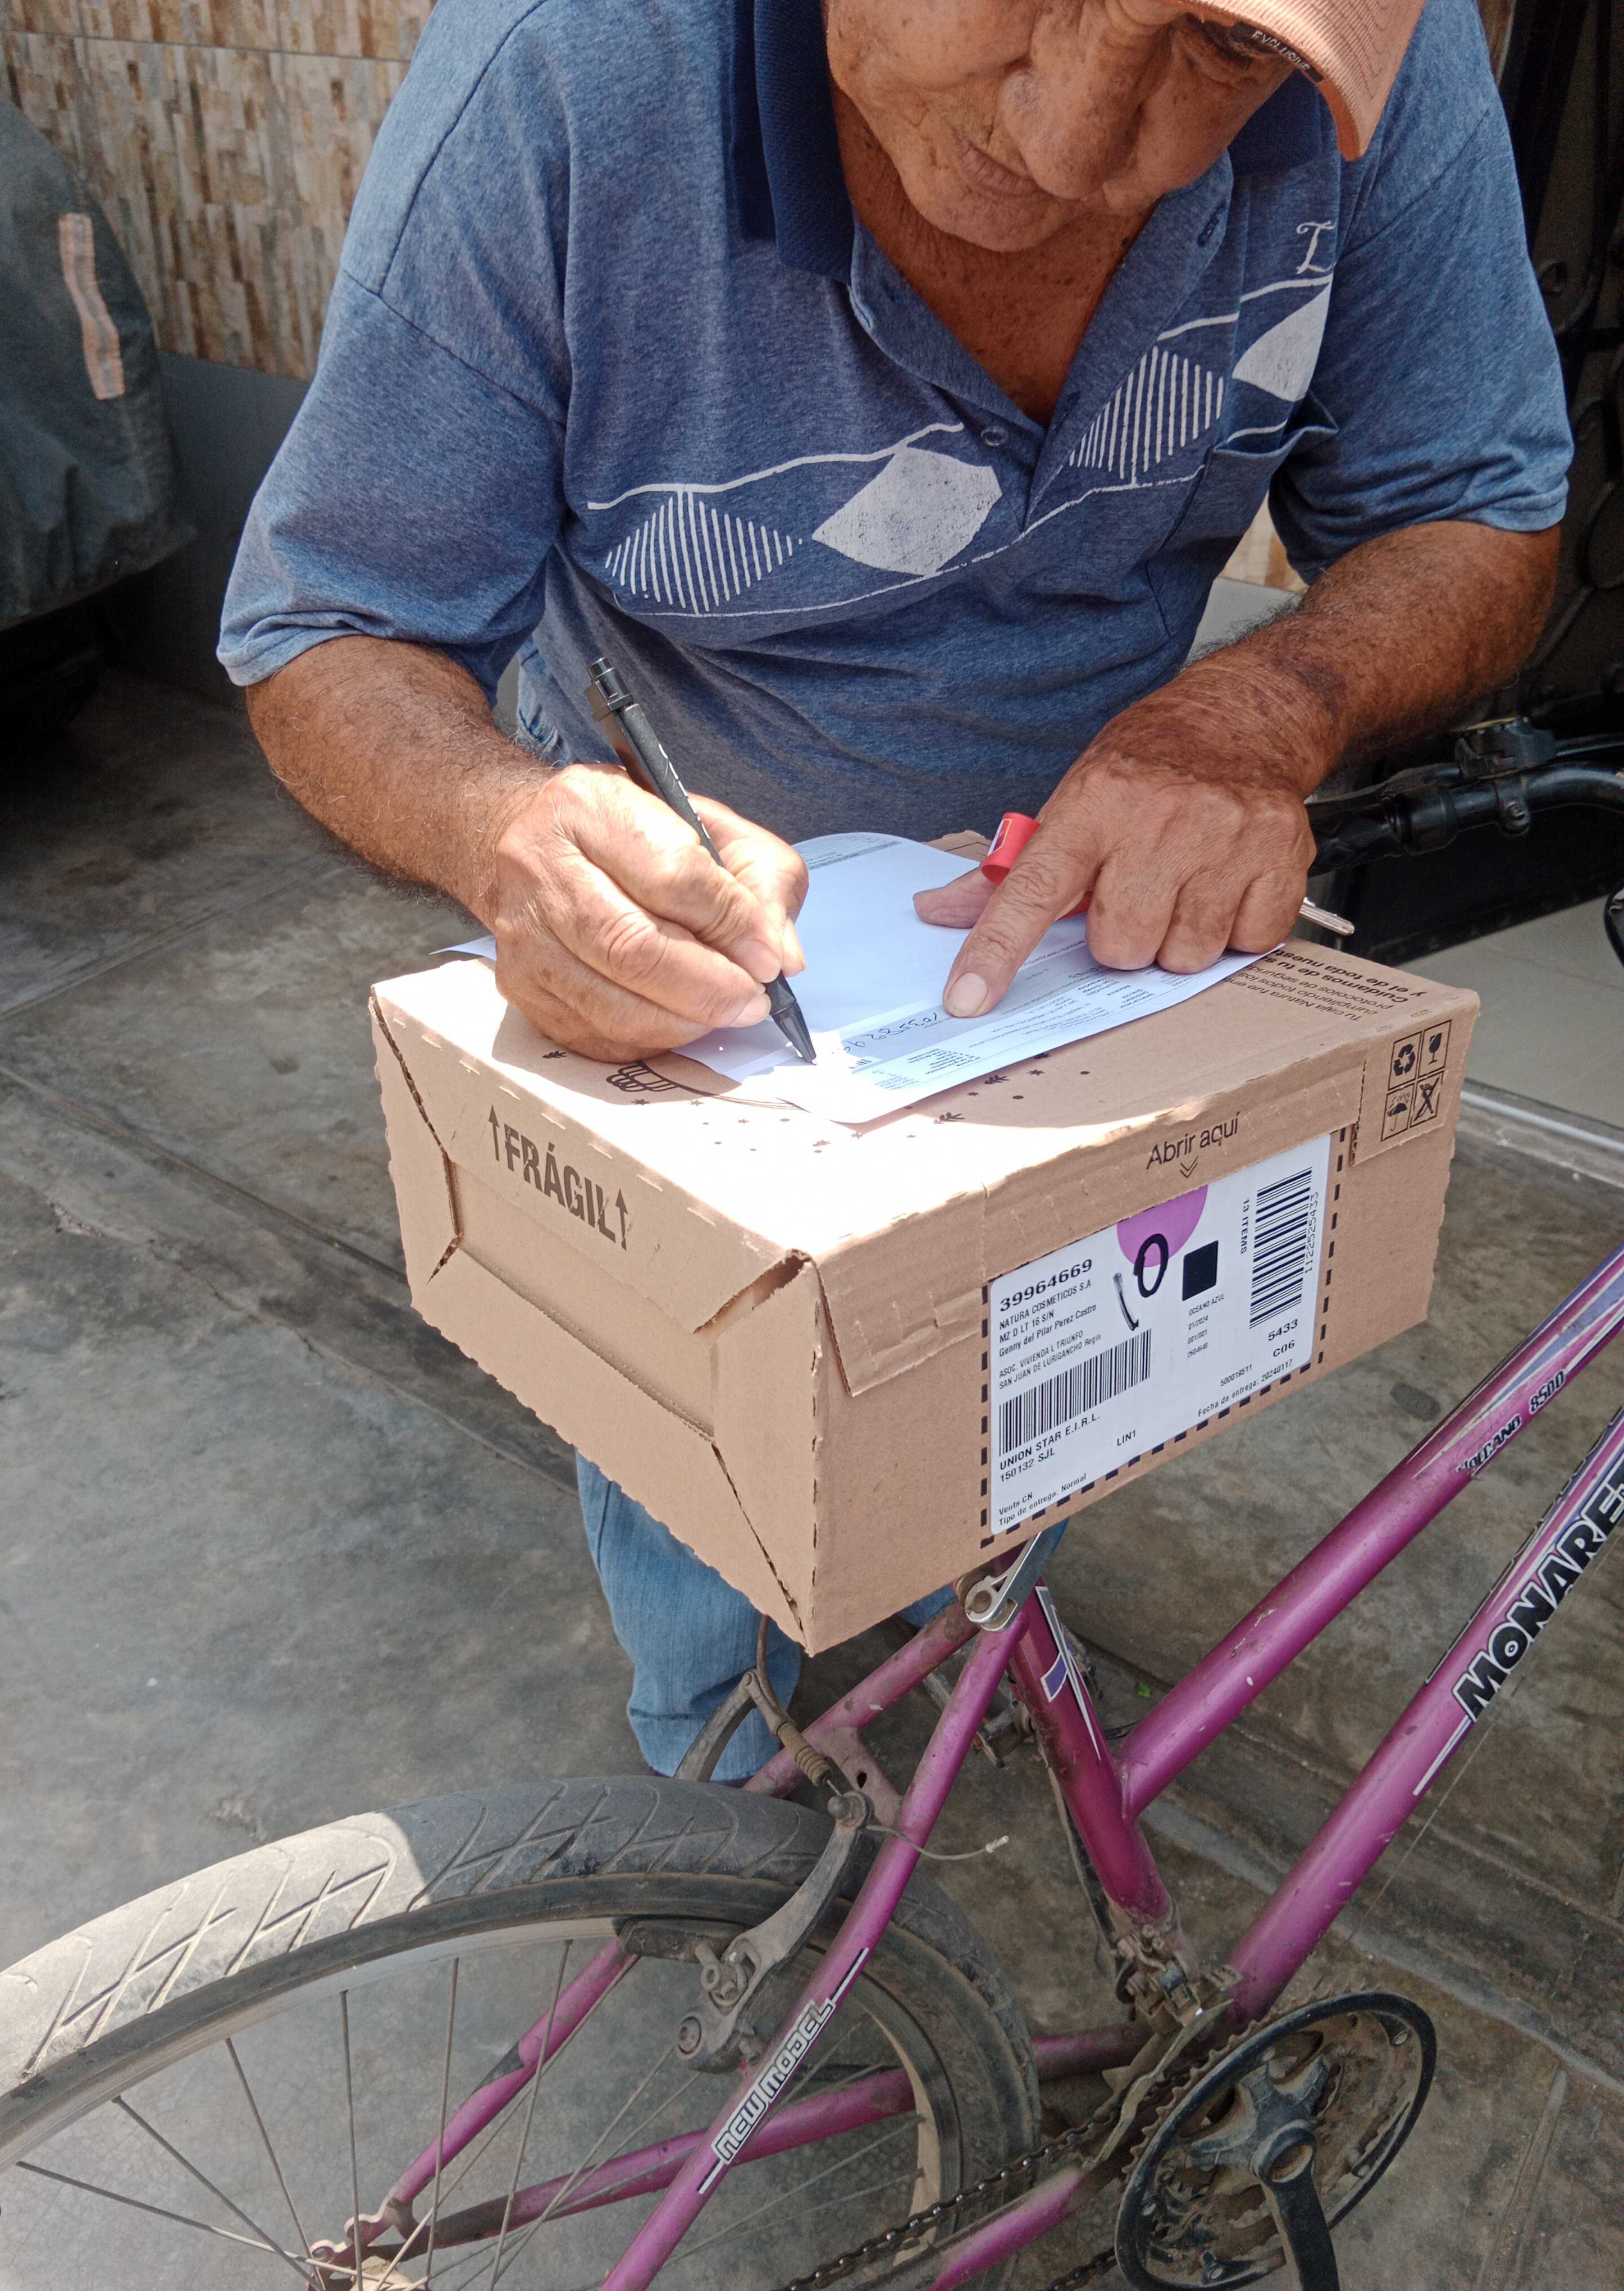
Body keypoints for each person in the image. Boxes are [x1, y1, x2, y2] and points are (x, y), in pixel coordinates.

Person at [221, 0, 1570, 1778]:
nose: (1078, 150)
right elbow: (336, 618)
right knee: (700, 1425)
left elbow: (1476, 504)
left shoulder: (1369, 57)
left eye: (1212, 53)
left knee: (1033, 1358)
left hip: (1076, 929)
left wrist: (1256, 715)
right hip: (701, 926)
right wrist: (507, 832)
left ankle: (961, 1621)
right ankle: (720, 1761)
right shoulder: (569, 72)